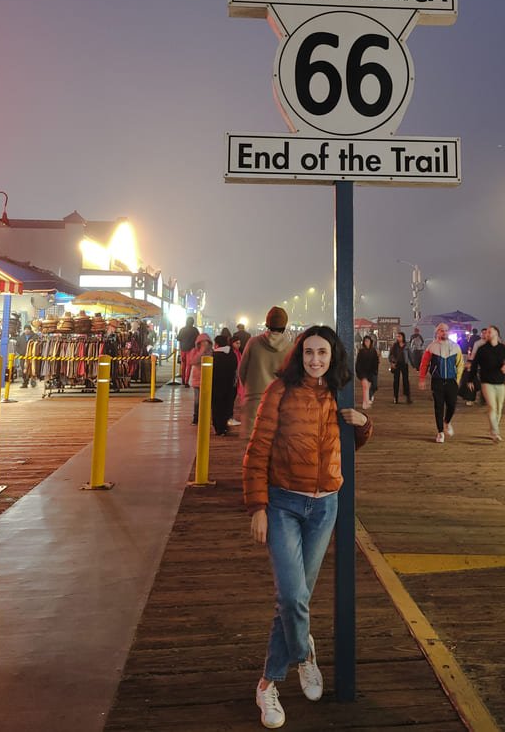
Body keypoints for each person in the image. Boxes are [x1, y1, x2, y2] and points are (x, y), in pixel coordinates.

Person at [243, 325, 372, 730]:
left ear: (333, 357)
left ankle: (267, 684)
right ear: (299, 354)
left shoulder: (339, 393)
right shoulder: (279, 391)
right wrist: (258, 506)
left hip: (324, 507)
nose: (315, 360)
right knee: (294, 596)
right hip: (283, 503)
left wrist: (364, 423)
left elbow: (352, 444)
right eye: (309, 352)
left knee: (291, 600)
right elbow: (257, 447)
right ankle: (304, 653)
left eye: (323, 353)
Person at [239, 306, 294, 440]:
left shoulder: (253, 343)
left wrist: (248, 389)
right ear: (284, 326)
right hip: (279, 403)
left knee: (253, 449)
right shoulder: (291, 348)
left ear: (267, 324)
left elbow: (242, 371)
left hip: (254, 403)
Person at [419, 322, 464, 443]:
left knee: (452, 405)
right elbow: (424, 363)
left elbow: (460, 364)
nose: (444, 332)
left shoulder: (455, 347)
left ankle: (447, 422)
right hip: (437, 380)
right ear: (437, 332)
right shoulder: (431, 347)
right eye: (441, 330)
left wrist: (457, 379)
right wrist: (422, 378)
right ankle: (440, 432)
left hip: (451, 380)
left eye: (446, 330)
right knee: (438, 407)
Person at [467, 325, 505, 442]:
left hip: (500, 382)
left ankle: (492, 429)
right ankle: (495, 432)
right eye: (487, 332)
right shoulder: (482, 349)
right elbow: (474, 365)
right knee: (492, 407)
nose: (487, 334)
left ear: (496, 333)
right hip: (487, 382)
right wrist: (470, 379)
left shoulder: (503, 348)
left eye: (490, 332)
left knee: (499, 409)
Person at [211, 334, 239, 435]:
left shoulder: (214, 356)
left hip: (216, 385)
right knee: (226, 406)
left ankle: (218, 428)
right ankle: (224, 427)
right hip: (229, 385)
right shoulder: (232, 354)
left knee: (216, 407)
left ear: (217, 344)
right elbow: (235, 367)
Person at [188, 333, 213, 425]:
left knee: (207, 400)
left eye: (206, 343)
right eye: (202, 343)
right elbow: (192, 361)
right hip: (197, 380)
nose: (204, 345)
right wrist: (202, 351)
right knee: (197, 400)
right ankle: (196, 418)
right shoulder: (194, 351)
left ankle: (206, 418)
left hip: (208, 379)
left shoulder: (211, 352)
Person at [355, 334, 379, 410]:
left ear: (370, 342)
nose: (367, 342)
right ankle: (364, 403)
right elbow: (358, 363)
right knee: (365, 387)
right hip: (362, 372)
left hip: (371, 372)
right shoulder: (361, 351)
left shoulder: (373, 351)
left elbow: (376, 362)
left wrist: (375, 371)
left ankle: (367, 401)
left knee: (368, 387)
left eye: (368, 341)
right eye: (365, 341)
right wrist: (358, 372)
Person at [388, 331, 412, 404]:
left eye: (399, 336)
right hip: (397, 364)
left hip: (404, 364)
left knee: (406, 381)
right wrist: (392, 362)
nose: (398, 338)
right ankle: (395, 397)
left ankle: (408, 397)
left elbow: (410, 355)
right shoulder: (395, 345)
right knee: (396, 381)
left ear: (403, 337)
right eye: (397, 336)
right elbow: (391, 355)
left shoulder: (406, 345)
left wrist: (414, 364)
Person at [176, 317, 199, 387]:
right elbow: (198, 339)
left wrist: (181, 348)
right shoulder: (195, 330)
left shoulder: (182, 329)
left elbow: (178, 339)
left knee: (183, 365)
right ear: (193, 322)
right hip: (191, 349)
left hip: (183, 349)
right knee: (189, 365)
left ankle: (183, 380)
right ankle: (186, 381)